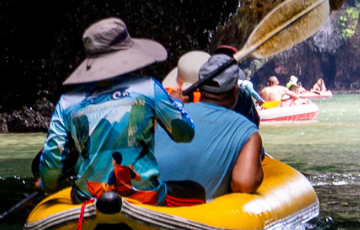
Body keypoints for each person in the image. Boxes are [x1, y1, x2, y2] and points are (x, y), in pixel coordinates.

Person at [38, 18, 195, 202]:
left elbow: (52, 161)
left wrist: (45, 184)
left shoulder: (67, 102)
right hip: (145, 199)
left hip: (87, 199)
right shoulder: (149, 88)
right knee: (195, 190)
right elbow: (185, 133)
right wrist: (177, 104)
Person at [155, 50, 264, 200]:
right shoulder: (248, 132)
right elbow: (244, 183)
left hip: (147, 204)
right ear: (235, 91)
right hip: (194, 216)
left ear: (199, 87)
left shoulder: (165, 113)